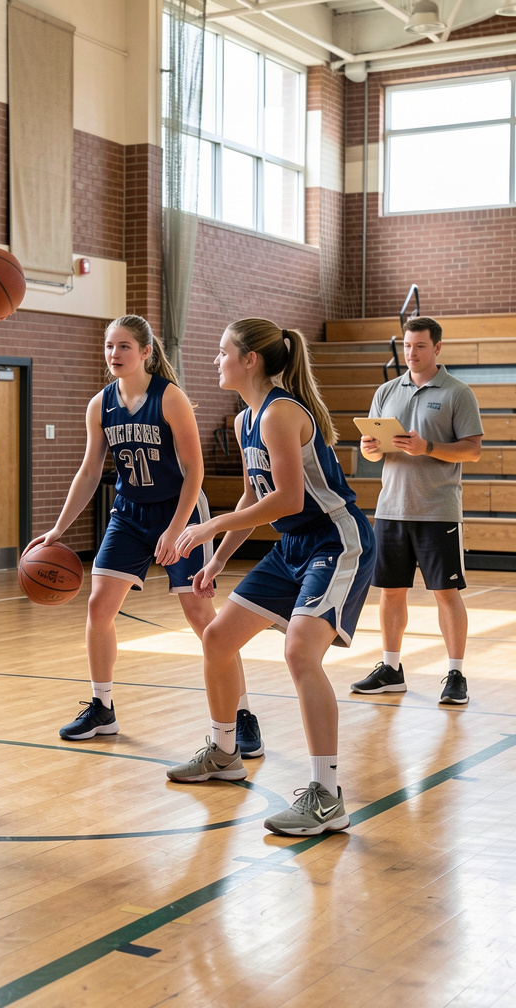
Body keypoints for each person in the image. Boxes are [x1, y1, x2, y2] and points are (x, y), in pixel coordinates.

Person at [165, 317, 374, 837]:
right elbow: (253, 499)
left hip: (336, 540)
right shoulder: (244, 420)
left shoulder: (281, 412)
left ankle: (326, 794)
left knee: (300, 653)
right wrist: (217, 558)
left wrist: (210, 524)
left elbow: (289, 499)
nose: (216, 361)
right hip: (294, 546)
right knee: (217, 638)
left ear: (249, 359)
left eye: (221, 352)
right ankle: (224, 752)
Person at [24, 315, 262, 756]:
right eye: (109, 346)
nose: (114, 354)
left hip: (181, 510)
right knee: (98, 604)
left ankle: (242, 713)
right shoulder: (100, 405)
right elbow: (90, 471)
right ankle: (102, 706)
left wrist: (176, 531)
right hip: (129, 513)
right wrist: (59, 529)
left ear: (146, 352)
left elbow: (195, 471)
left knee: (201, 616)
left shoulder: (170, 398)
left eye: (124, 347)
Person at [351, 316, 483, 706]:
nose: (412, 353)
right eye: (408, 346)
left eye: (420, 346)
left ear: (437, 348)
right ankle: (391, 670)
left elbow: (472, 450)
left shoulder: (459, 393)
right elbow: (368, 448)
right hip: (391, 508)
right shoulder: (387, 390)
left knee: (446, 592)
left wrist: (427, 447)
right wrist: (370, 448)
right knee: (390, 592)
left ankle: (456, 673)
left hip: (438, 510)